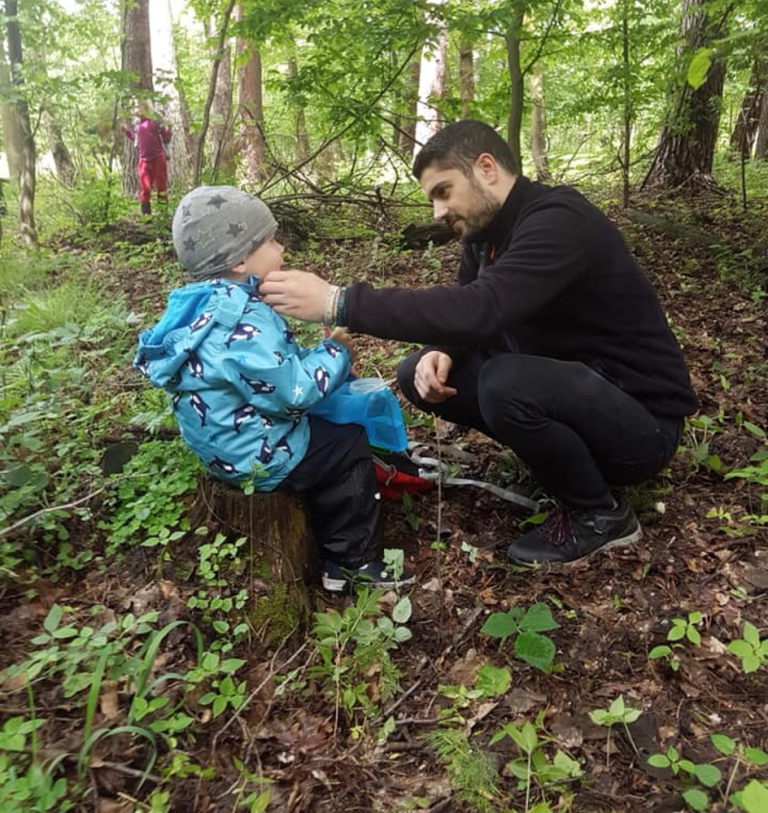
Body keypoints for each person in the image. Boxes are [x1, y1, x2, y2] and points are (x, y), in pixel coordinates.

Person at [260, 120, 698, 567]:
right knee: (417, 372)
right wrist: (445, 351)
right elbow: (472, 315)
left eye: (443, 191)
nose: (437, 211)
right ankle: (563, 464)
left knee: (505, 382)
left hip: (641, 426)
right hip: (575, 393)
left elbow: (482, 307)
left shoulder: (560, 220)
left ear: (486, 168)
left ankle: (600, 514)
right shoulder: (484, 233)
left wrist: (339, 302)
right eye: (432, 199)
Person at [133, 185, 415, 592]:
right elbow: (292, 394)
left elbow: (265, 373)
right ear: (239, 259)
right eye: (270, 241)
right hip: (259, 454)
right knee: (347, 444)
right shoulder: (242, 318)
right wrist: (336, 353)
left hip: (222, 448)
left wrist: (315, 356)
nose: (281, 248)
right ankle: (352, 562)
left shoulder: (198, 307)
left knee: (328, 433)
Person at [125, 103, 171, 215]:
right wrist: (126, 132)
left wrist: (169, 129)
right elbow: (136, 140)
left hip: (158, 158)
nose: (135, 110)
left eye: (137, 107)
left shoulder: (155, 122)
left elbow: (166, 138)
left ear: (144, 108)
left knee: (161, 185)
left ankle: (163, 213)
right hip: (144, 161)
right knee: (145, 188)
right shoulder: (137, 125)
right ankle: (146, 214)